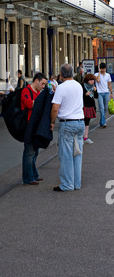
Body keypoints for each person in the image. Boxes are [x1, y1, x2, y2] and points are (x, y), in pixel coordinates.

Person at [50, 63, 85, 192]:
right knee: (77, 153)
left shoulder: (61, 88)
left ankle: (67, 184)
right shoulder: (78, 86)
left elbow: (55, 108)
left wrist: (52, 121)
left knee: (66, 155)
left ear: (61, 74)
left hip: (67, 123)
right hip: (80, 122)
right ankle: (77, 183)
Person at [21, 72, 48, 185]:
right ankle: (28, 178)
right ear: (36, 80)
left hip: (36, 126)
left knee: (35, 152)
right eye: (42, 84)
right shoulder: (26, 91)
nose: (43, 87)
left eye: (45, 85)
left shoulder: (38, 93)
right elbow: (30, 104)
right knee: (29, 152)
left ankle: (34, 175)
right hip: (28, 126)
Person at [94, 62, 113, 128]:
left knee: (105, 108)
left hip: (106, 93)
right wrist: (99, 72)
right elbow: (98, 80)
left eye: (104, 68)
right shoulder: (96, 74)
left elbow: (109, 84)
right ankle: (103, 122)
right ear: (100, 68)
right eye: (102, 68)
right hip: (99, 93)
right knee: (101, 108)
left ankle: (101, 121)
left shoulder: (108, 75)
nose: (103, 70)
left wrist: (111, 93)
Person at [82, 74, 98, 144]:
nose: (92, 81)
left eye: (93, 80)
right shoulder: (83, 86)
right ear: (87, 80)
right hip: (84, 106)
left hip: (91, 106)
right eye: (90, 80)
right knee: (82, 122)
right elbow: (80, 96)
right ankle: (81, 138)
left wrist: (95, 91)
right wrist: (85, 95)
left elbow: (96, 97)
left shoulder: (94, 87)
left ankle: (86, 137)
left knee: (87, 122)